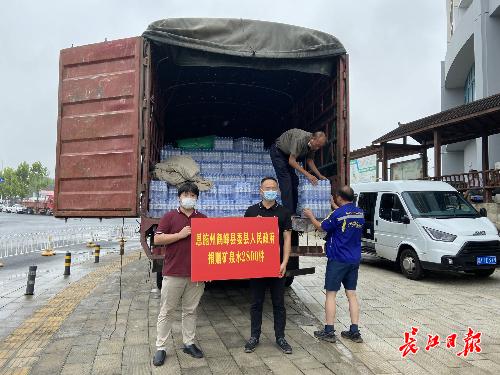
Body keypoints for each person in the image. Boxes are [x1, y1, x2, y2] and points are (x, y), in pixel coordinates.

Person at [153, 182, 207, 366]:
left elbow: (211, 246)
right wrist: (180, 235)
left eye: (193, 195)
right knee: (167, 311)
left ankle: (189, 343)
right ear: (179, 197)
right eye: (186, 195)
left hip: (196, 274)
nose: (189, 198)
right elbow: (158, 238)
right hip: (174, 272)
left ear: (197, 198)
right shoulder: (169, 217)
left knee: (190, 310)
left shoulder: (203, 218)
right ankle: (161, 347)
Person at [303, 185, 365, 343]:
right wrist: (335, 207)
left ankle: (329, 330)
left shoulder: (337, 214)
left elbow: (321, 227)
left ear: (339, 197)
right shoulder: (359, 213)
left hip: (338, 259)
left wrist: (310, 215)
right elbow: (344, 216)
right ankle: (354, 331)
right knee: (351, 294)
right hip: (354, 259)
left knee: (331, 294)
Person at [243, 177, 293, 354]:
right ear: (260, 190)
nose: (270, 190)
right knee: (256, 302)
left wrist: (284, 262)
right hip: (257, 265)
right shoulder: (250, 212)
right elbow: (245, 239)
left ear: (278, 190)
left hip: (276, 265)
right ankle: (254, 336)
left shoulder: (284, 212)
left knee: (279, 303)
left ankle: (280, 337)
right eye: (267, 188)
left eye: (273, 188)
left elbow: (287, 239)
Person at [270, 129, 328, 214]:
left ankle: (293, 211)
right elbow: (292, 161)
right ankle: (288, 214)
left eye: (319, 147)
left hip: (288, 155)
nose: (317, 148)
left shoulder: (313, 145)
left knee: (295, 181)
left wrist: (319, 175)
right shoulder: (300, 139)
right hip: (278, 152)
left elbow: (310, 161)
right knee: (286, 182)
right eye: (317, 145)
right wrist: (308, 175)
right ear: (313, 138)